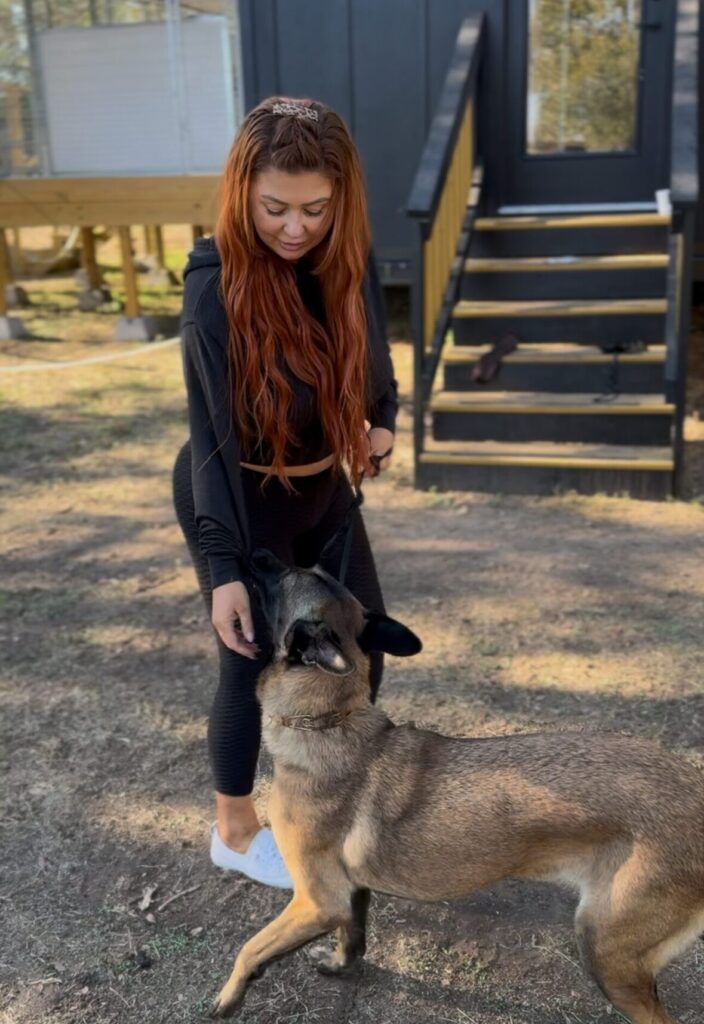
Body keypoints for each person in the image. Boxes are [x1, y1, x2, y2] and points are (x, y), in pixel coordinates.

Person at [172, 97, 398, 888]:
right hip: (239, 495)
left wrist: (383, 414)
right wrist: (223, 567)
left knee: (362, 645)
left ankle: (323, 803)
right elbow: (212, 441)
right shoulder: (215, 289)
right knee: (247, 664)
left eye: (314, 208)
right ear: (242, 193)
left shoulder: (344, 257)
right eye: (274, 208)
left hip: (320, 489)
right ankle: (234, 830)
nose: (295, 228)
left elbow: (369, 335)